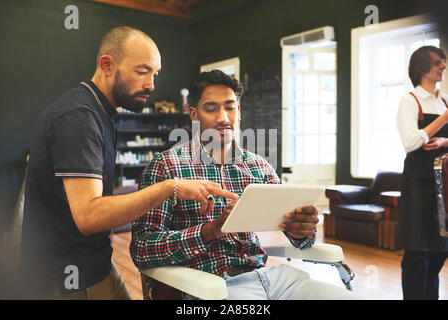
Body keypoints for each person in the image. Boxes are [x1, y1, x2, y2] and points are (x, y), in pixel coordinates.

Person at [19, 27, 238, 300]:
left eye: (155, 74)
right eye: (142, 71)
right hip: (67, 277)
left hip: (95, 262)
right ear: (107, 65)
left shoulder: (101, 113)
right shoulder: (79, 116)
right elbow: (89, 216)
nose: (151, 85)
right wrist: (171, 187)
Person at [130, 70, 358, 300]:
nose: (223, 118)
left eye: (230, 107)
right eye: (211, 108)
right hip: (214, 287)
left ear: (238, 112)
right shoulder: (166, 167)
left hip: (274, 279)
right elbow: (142, 249)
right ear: (194, 114)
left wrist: (303, 229)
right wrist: (210, 231)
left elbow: (302, 237)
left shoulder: (259, 167)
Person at [396, 45, 448, 300]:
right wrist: (444, 119)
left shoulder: (445, 100)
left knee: (440, 248)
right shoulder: (410, 100)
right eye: (438, 62)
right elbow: (411, 142)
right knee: (418, 250)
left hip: (444, 184)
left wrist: (442, 142)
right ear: (422, 68)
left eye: (444, 62)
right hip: (418, 183)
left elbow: (435, 140)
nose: (444, 67)